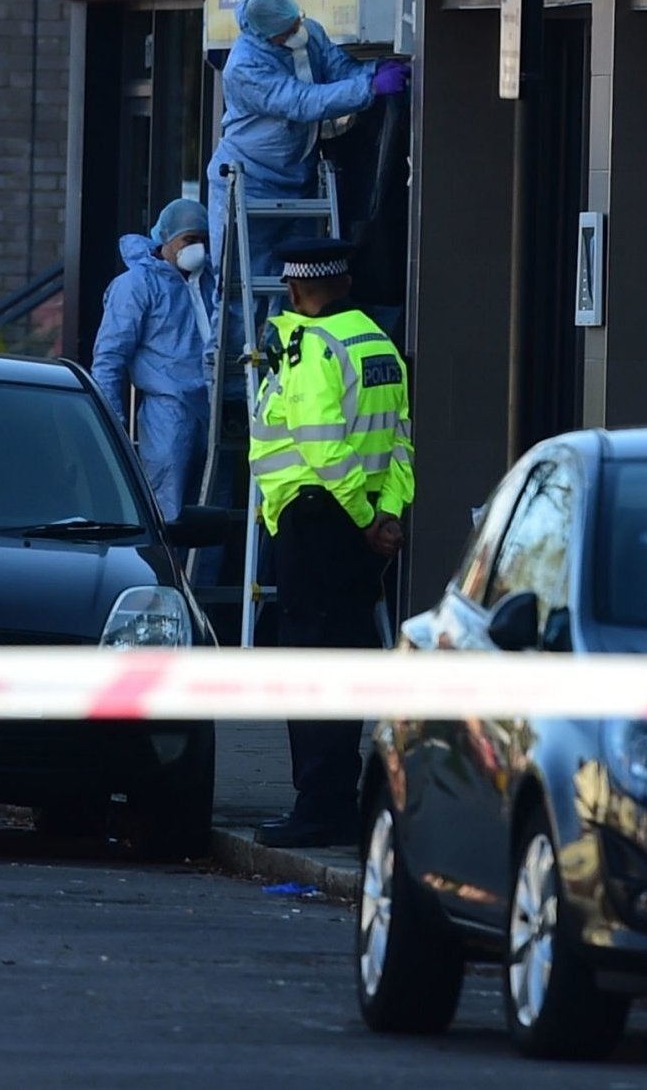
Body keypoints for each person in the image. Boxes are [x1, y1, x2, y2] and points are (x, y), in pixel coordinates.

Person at [246, 236, 411, 848]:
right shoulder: (377, 341)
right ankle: (341, 801)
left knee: (312, 666)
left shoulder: (312, 346)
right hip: (359, 533)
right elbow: (400, 442)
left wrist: (365, 516)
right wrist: (386, 517)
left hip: (317, 522)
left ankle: (319, 807)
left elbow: (321, 445)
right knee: (346, 661)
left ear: (295, 289)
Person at [205, 0, 408, 295]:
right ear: (264, 36)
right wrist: (369, 88)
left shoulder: (309, 32)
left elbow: (338, 69)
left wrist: (372, 70)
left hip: (298, 177)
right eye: (288, 31)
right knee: (240, 291)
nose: (297, 31)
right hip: (251, 180)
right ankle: (236, 345)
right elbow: (301, 102)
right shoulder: (244, 66)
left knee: (298, 287)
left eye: (297, 21)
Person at [89, 197, 217, 524]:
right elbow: (109, 359)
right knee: (166, 511)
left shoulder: (208, 281)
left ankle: (204, 577)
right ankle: (168, 575)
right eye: (190, 240)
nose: (198, 248)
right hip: (167, 412)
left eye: (204, 239)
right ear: (166, 240)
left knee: (213, 511)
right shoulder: (136, 285)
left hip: (214, 407)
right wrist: (113, 423)